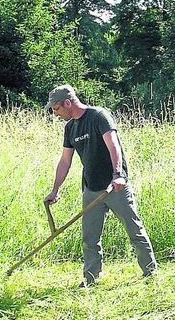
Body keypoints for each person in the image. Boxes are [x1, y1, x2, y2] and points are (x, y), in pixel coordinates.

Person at [44, 84, 157, 287]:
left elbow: (113, 145)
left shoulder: (99, 116)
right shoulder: (70, 128)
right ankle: (91, 279)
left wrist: (118, 175)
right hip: (91, 189)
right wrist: (55, 190)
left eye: (56, 109)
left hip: (115, 187)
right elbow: (65, 161)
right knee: (90, 237)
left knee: (134, 230)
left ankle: (151, 272)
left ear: (68, 103)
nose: (56, 114)